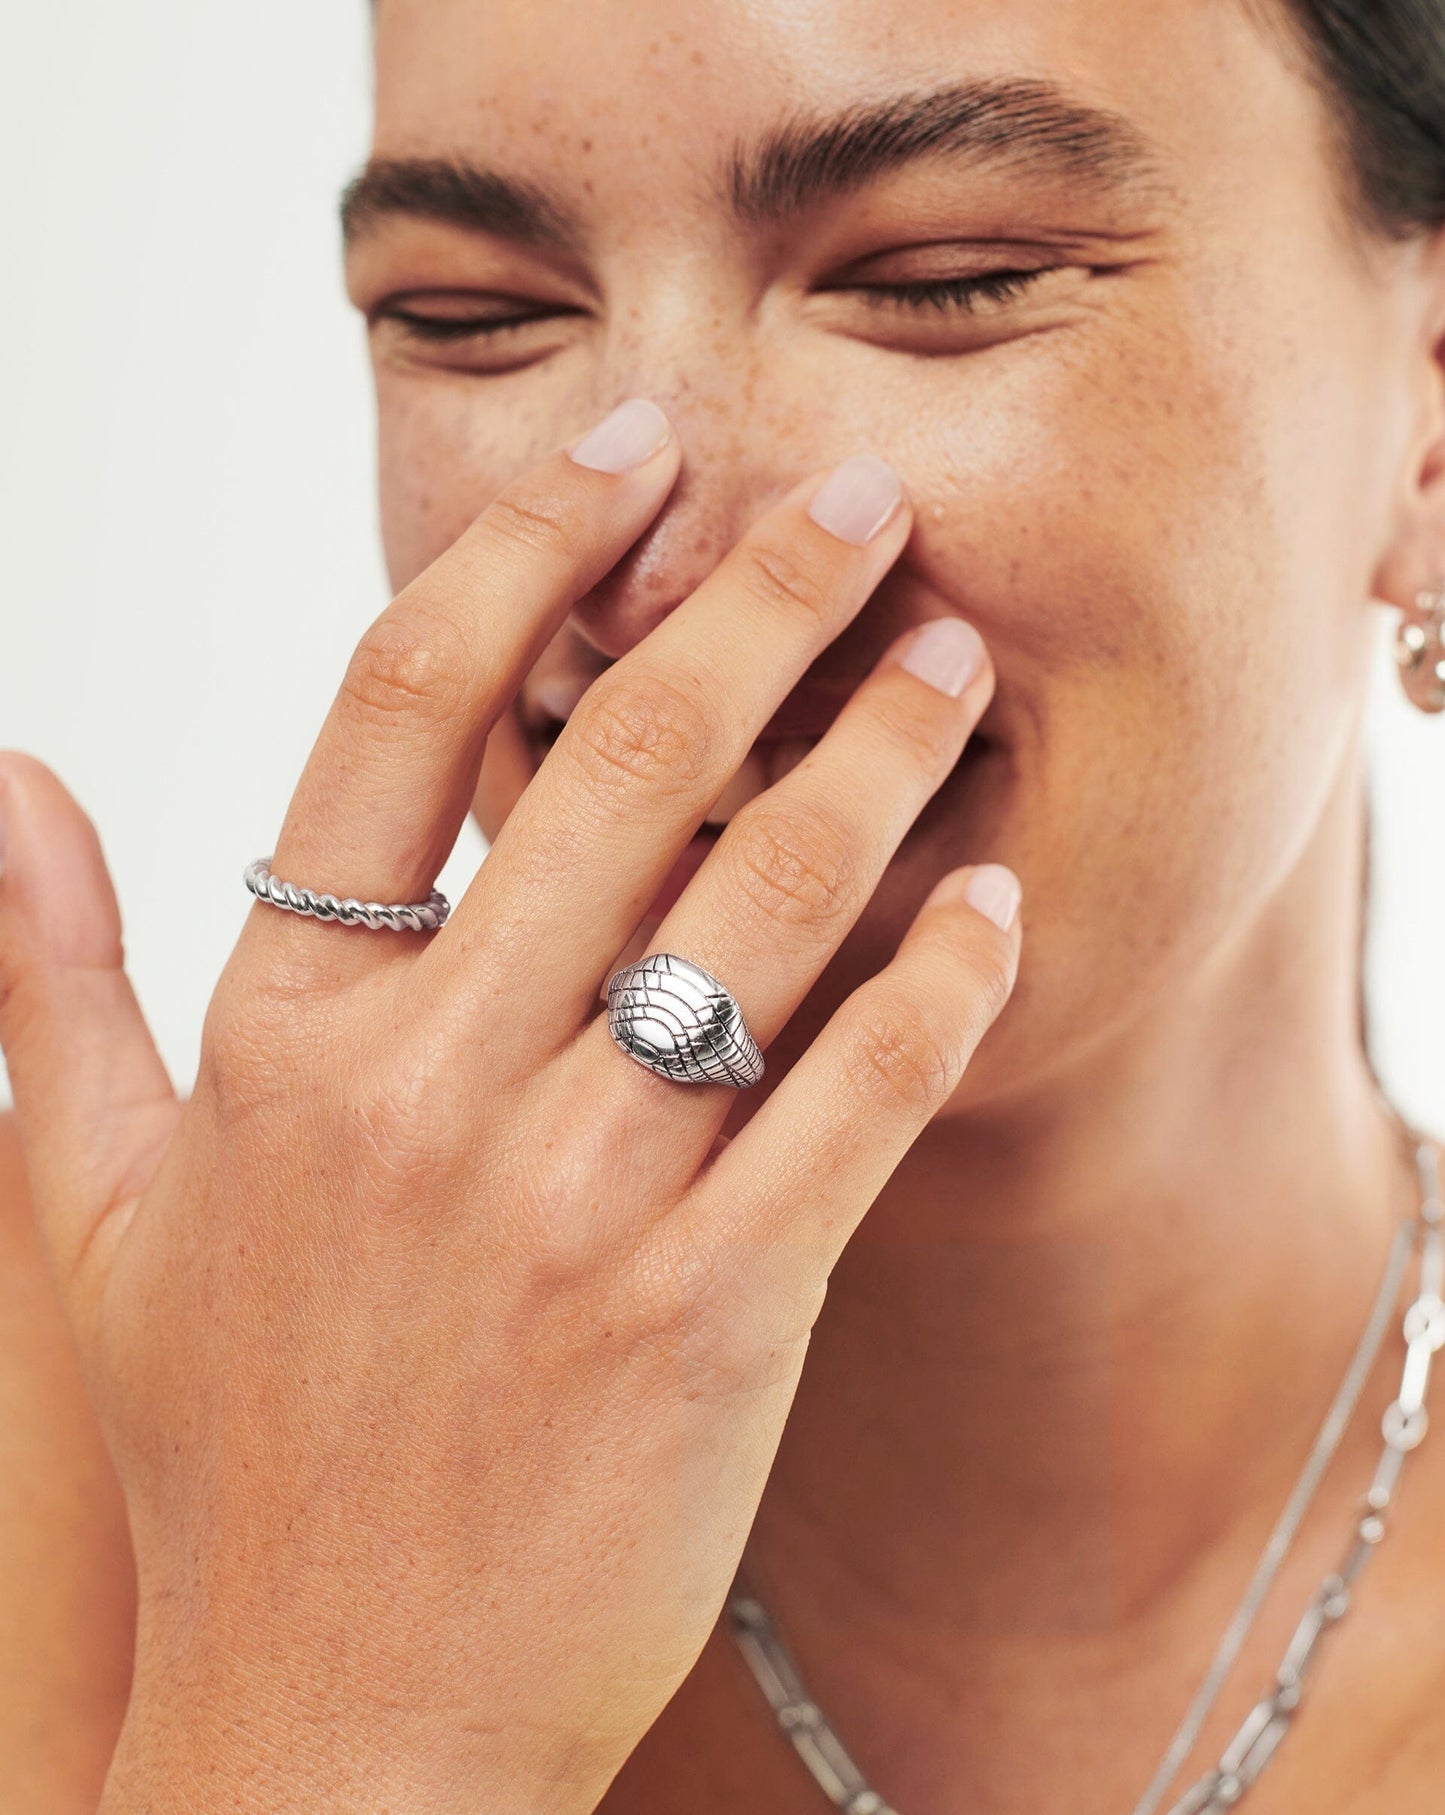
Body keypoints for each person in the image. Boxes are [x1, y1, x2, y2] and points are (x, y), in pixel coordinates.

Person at [3, 0, 1445, 1809]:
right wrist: (332, 1717)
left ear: (1430, 416)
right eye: (470, 317)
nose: (656, 570)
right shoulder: (58, 1402)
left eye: (939, 276)